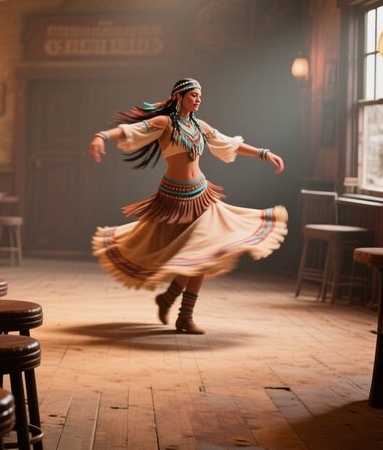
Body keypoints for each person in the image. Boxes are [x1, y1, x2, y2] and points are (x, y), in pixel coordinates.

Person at [88, 77, 288, 334]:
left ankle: (184, 314)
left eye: (200, 96)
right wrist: (101, 136)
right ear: (179, 97)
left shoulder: (200, 126)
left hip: (202, 195)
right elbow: (130, 130)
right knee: (188, 255)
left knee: (202, 253)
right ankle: (170, 299)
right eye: (193, 95)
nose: (198, 99)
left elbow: (230, 144)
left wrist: (263, 153)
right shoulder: (165, 123)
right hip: (173, 199)